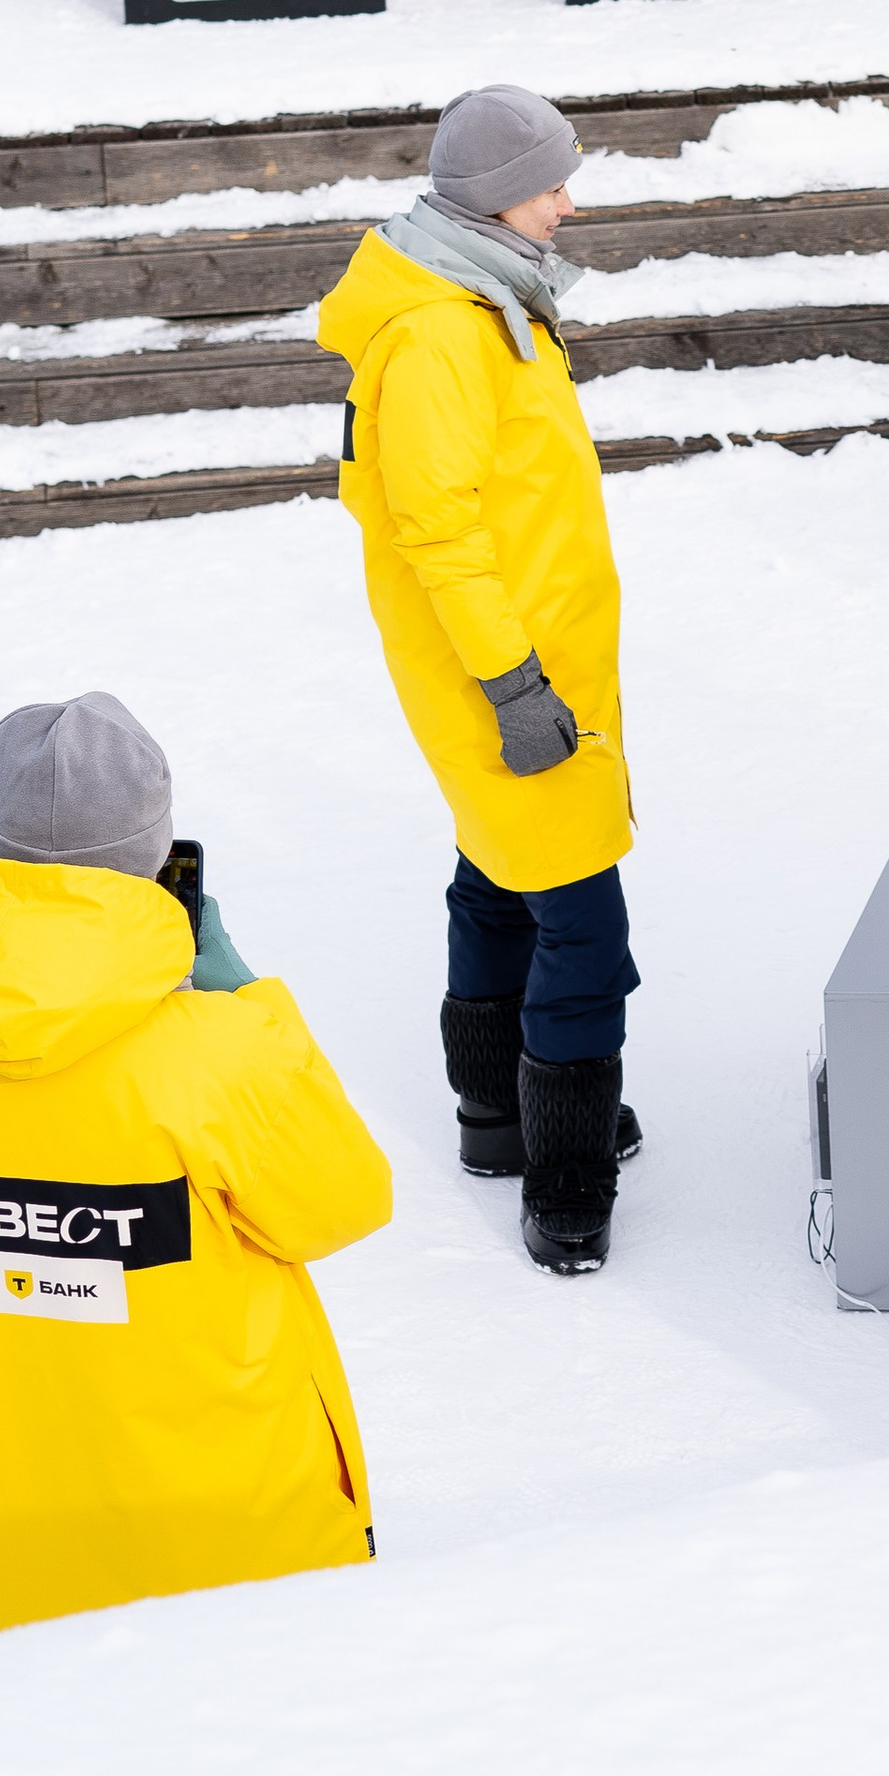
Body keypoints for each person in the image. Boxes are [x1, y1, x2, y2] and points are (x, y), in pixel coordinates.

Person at [316, 84, 642, 1277]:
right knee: (582, 924)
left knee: (496, 876)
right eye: (557, 180)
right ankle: (566, 1179)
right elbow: (437, 536)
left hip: (532, 663)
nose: (572, 198)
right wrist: (514, 689)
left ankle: (495, 1121)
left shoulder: (483, 292)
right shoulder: (444, 333)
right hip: (505, 678)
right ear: (504, 194)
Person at [0, 689, 391, 1630]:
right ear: (152, 859)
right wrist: (253, 1006)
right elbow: (344, 1202)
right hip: (230, 1553)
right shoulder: (218, 1055)